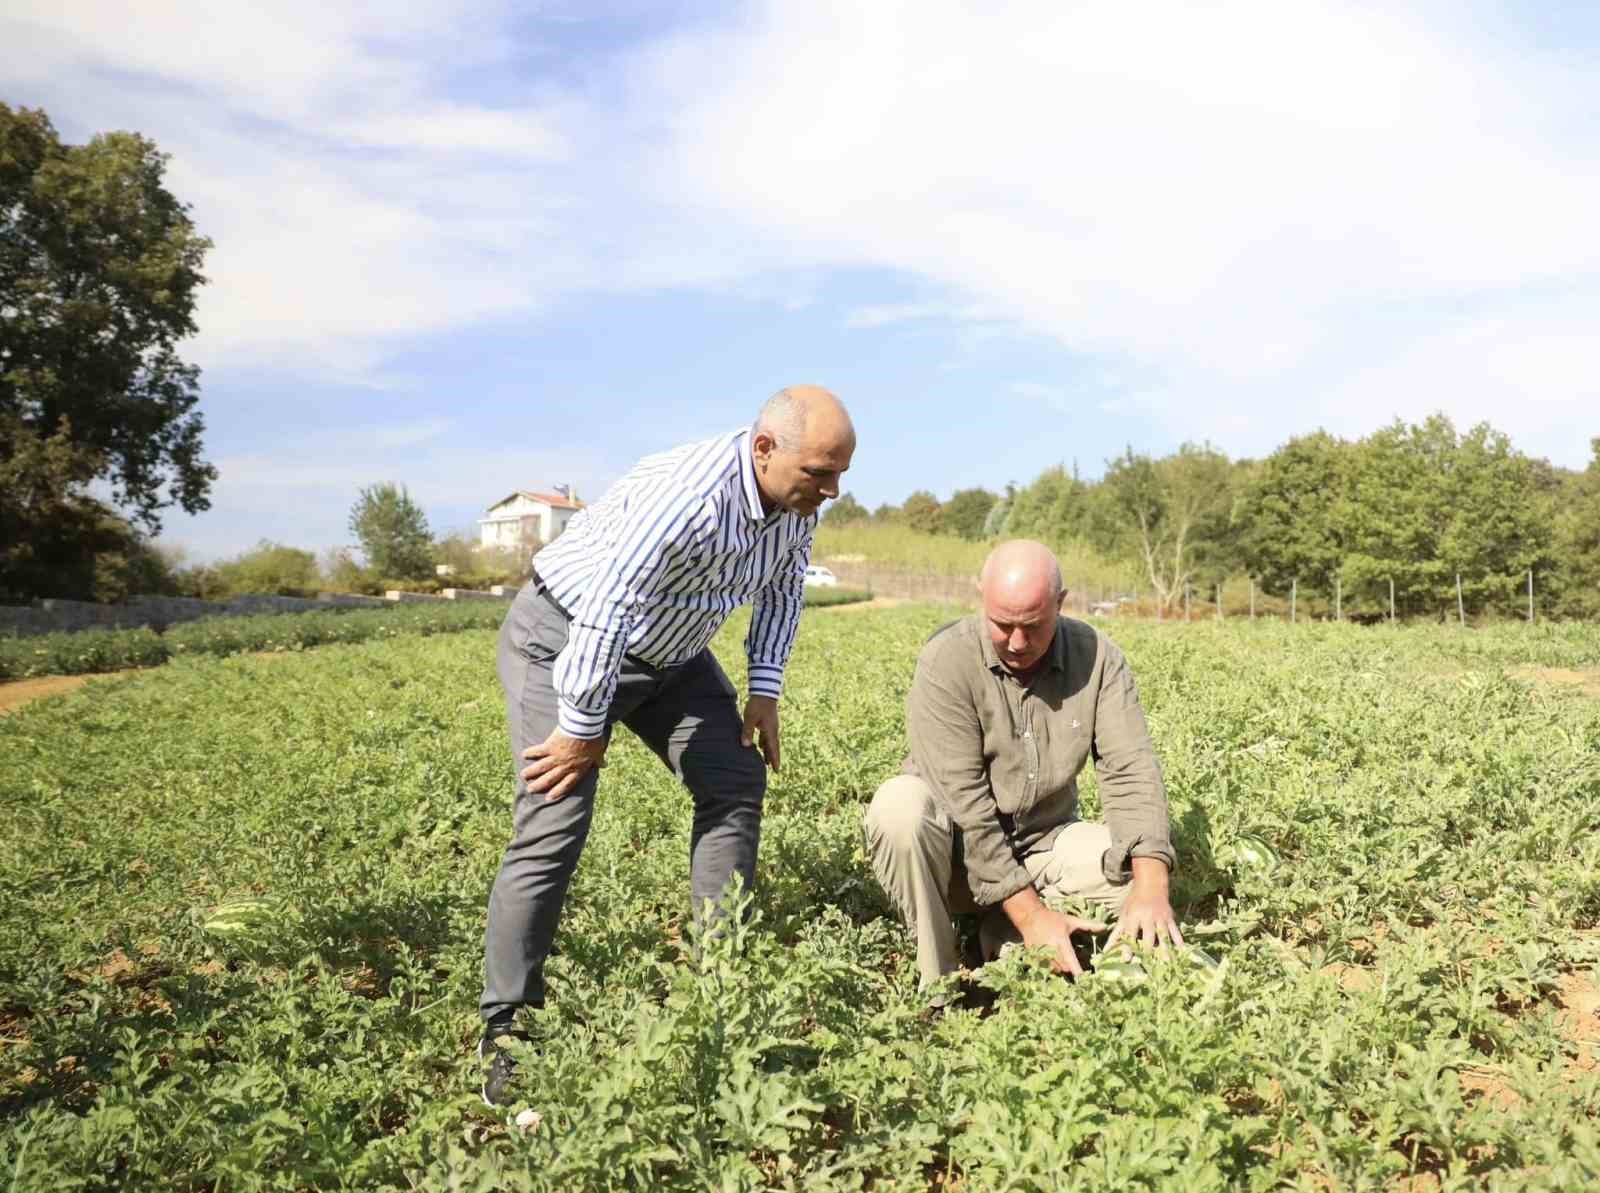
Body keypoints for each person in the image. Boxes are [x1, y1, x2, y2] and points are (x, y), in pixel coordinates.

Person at [478, 385, 856, 1105]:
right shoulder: (686, 495)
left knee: (735, 779)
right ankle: (506, 1026)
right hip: (565, 638)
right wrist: (583, 726)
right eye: (820, 472)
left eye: (840, 474)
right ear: (765, 448)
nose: (831, 490)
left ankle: (722, 984)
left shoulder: (793, 506)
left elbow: (781, 592)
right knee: (554, 817)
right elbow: (608, 607)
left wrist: (764, 689)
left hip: (672, 656)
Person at [863, 539, 1181, 1005]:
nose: (1016, 642)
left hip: (1044, 843)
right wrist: (1034, 917)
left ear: (1061, 603)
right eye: (1002, 624)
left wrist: (1152, 886)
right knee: (898, 810)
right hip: (955, 861)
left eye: (1033, 626)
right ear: (980, 600)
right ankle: (944, 986)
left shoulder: (1098, 658)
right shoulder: (946, 660)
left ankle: (1000, 932)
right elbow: (965, 809)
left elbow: (1130, 769)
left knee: (1142, 878)